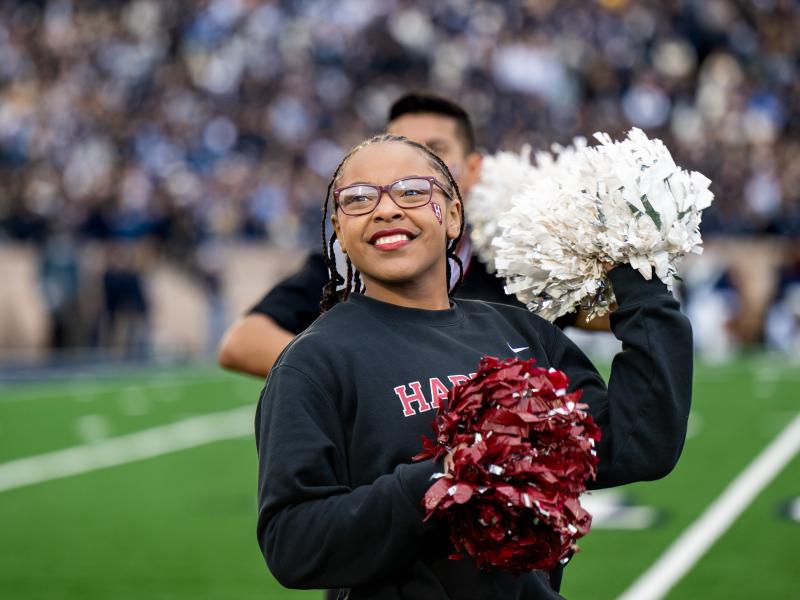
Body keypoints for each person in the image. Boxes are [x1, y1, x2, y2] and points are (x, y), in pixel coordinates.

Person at [255, 134, 693, 599]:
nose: (385, 210)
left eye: (412, 192)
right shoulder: (313, 362)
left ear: (454, 217)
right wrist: (444, 478)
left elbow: (635, 446)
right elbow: (292, 543)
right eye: (358, 199)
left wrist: (637, 275)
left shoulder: (523, 333)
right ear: (340, 230)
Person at [218, 93, 607, 378]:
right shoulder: (349, 265)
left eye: (435, 151)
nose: (415, 168)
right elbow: (242, 342)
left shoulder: (516, 260)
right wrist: (360, 378)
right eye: (400, 151)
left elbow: (611, 318)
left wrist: (584, 240)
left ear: (473, 170)